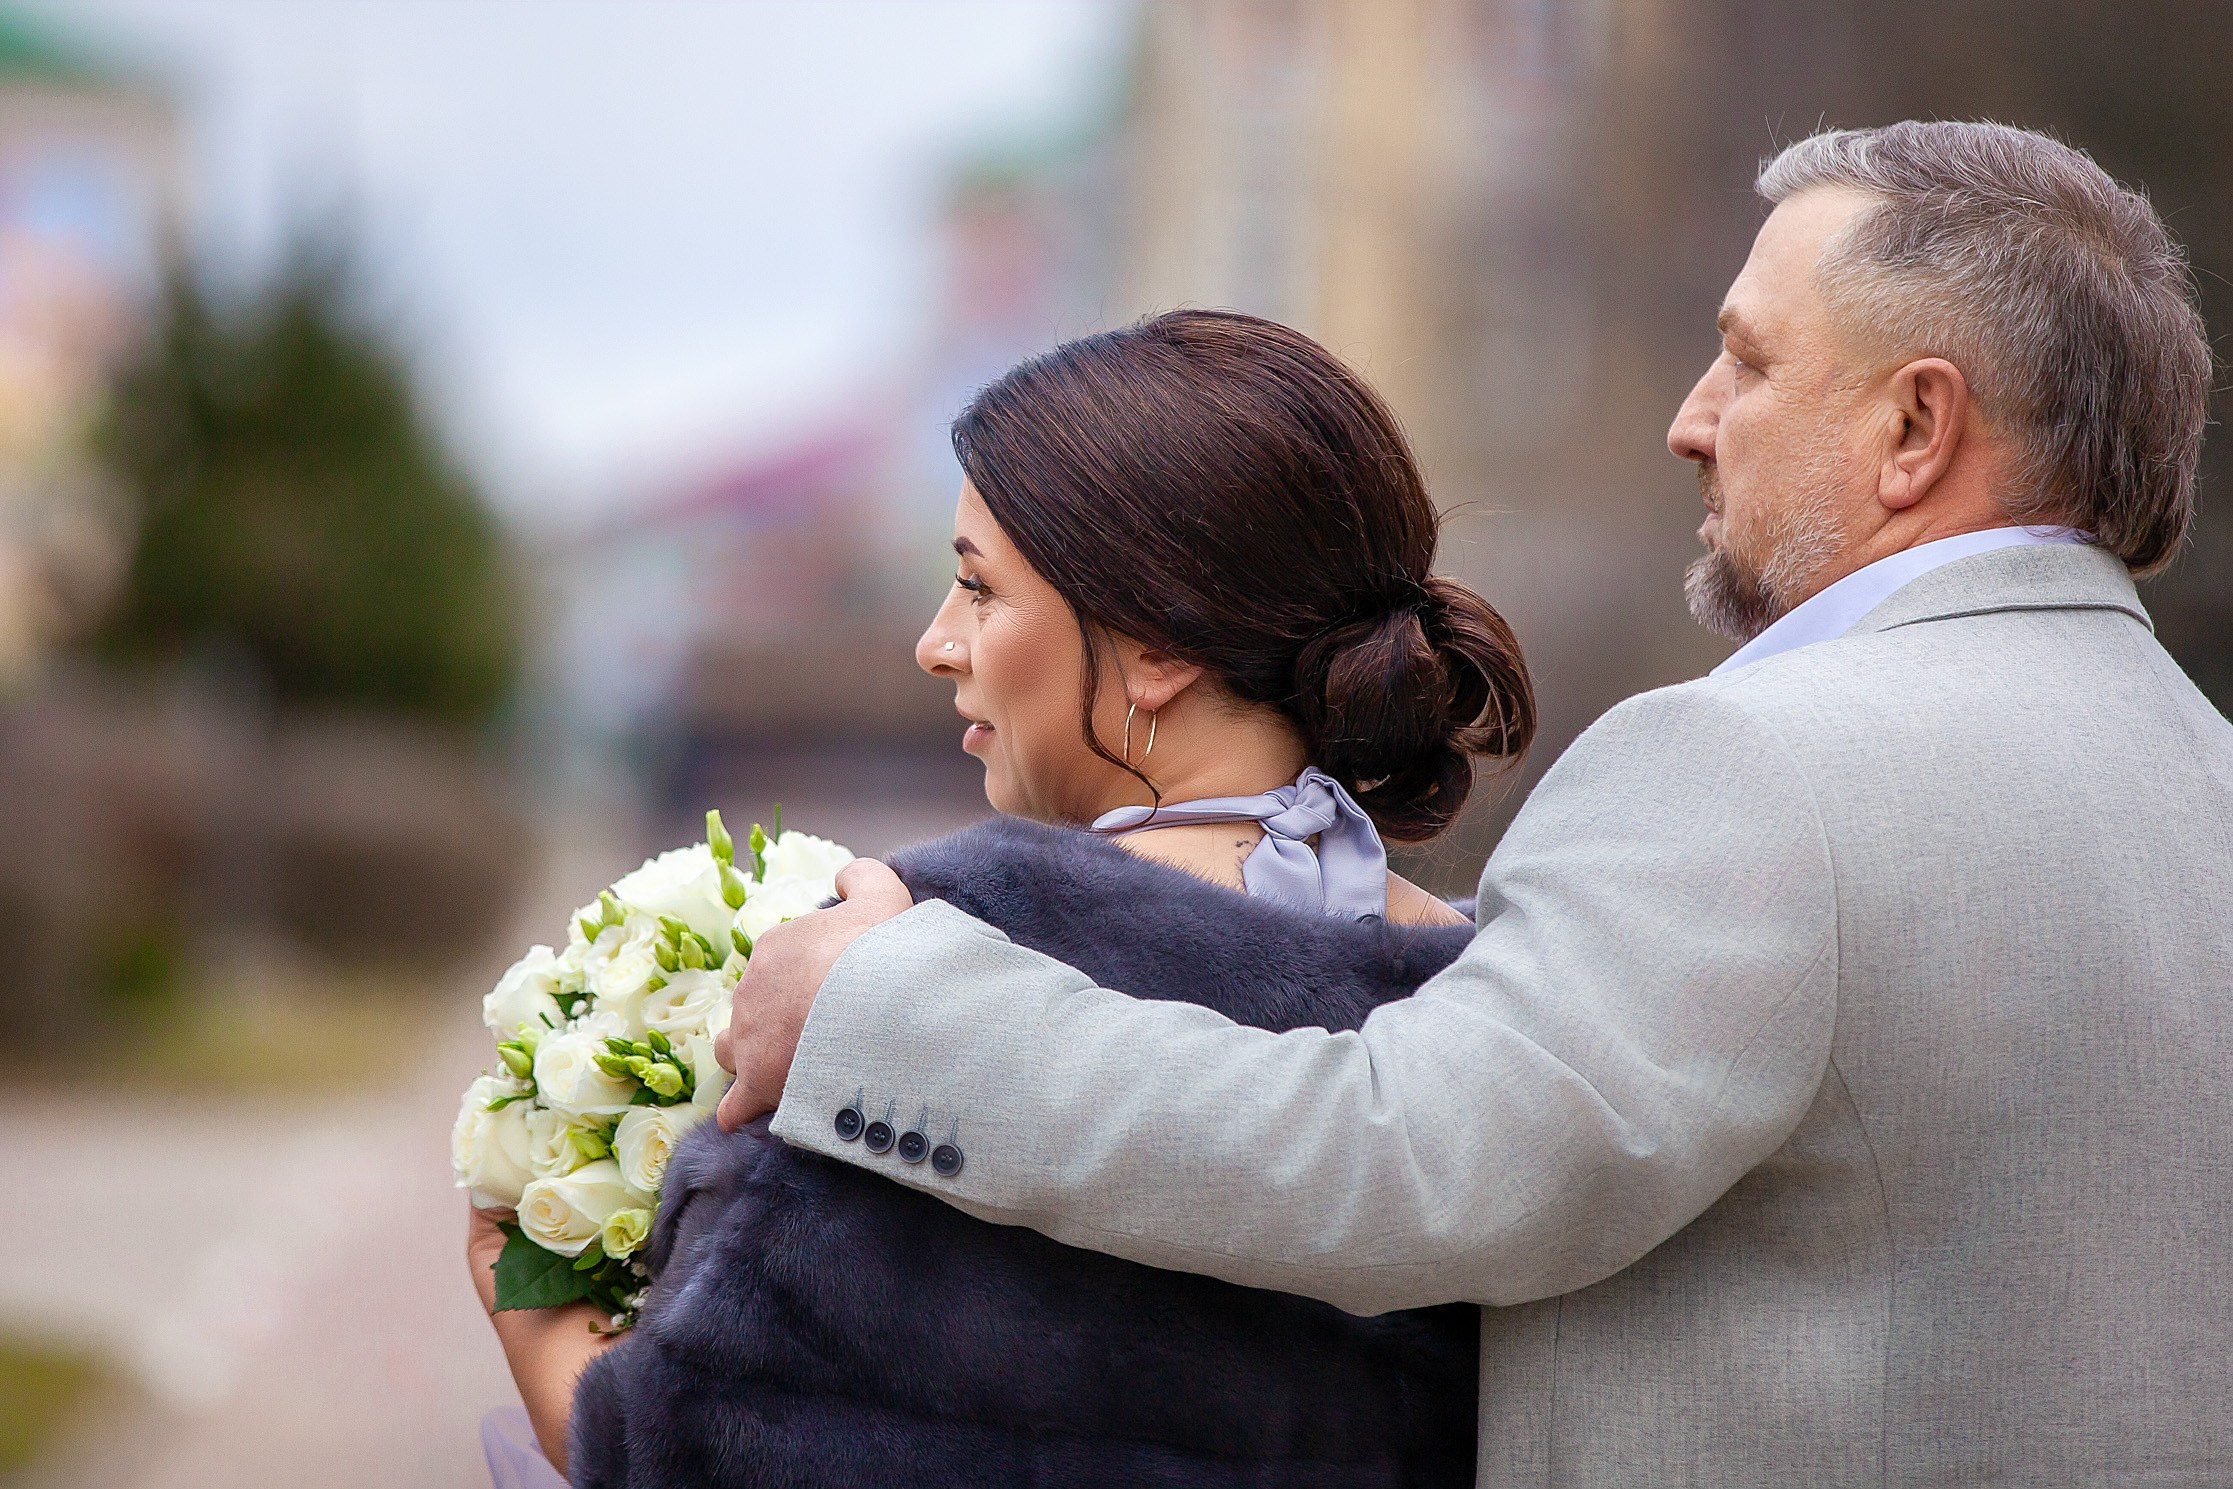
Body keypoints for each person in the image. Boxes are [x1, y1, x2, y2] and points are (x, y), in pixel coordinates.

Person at [717, 120, 2233, 1483]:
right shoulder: (2205, 775)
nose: (1691, 418)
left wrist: (884, 1011)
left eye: (1750, 362)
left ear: (1914, 428)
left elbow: (1395, 1161)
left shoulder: (1758, 764)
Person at [470, 308, 1539, 1485]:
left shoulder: (927, 962)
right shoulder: (1485, 994)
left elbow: (701, 1454)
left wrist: (529, 1303)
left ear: (1156, 646)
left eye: (979, 589)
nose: (936, 643)